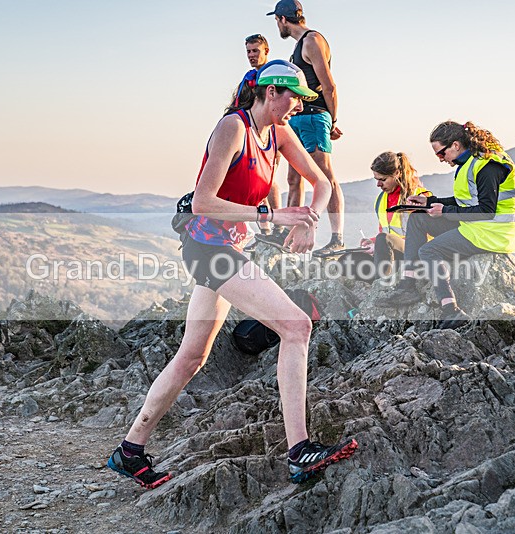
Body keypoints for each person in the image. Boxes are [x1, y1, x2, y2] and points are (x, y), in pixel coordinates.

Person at [107, 60, 358, 490]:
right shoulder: (233, 128)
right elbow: (203, 202)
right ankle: (299, 451)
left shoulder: (279, 133)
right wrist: (272, 215)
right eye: (294, 96)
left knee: (192, 357)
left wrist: (309, 220)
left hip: (230, 248)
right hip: (208, 249)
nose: (299, 105)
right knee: (296, 326)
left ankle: (130, 451)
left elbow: (322, 183)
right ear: (271, 92)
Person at [383, 121, 515, 329]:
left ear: (456, 145)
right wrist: (429, 202)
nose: (440, 159)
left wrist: (445, 211)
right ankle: (407, 286)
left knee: (429, 251)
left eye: (441, 153)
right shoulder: (470, 163)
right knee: (418, 218)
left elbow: (486, 210)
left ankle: (451, 310)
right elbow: (465, 201)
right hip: (477, 226)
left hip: (493, 233)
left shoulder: (488, 166)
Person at [267, 0, 345, 256]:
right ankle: (288, 234)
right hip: (298, 118)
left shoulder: (312, 40)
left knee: (324, 176)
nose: (277, 25)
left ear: (282, 19)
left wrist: (332, 120)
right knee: (294, 178)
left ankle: (337, 237)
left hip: (314, 116)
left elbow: (329, 86)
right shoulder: (299, 46)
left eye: (276, 21)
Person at [359, 151, 431, 278]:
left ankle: (381, 285)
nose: (378, 185)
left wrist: (380, 243)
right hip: (393, 254)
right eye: (376, 180)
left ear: (397, 173)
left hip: (417, 254)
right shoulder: (380, 200)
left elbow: (427, 236)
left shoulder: (419, 197)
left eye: (383, 180)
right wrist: (372, 242)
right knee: (350, 259)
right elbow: (385, 232)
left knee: (383, 240)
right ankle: (372, 284)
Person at [244, 33, 284, 240]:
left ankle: (278, 227)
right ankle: (265, 230)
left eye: (255, 51)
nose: (251, 55)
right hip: (251, 133)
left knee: (268, 178)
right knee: (255, 180)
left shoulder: (276, 74)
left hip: (271, 131)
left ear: (266, 51)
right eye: (248, 51)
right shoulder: (249, 77)